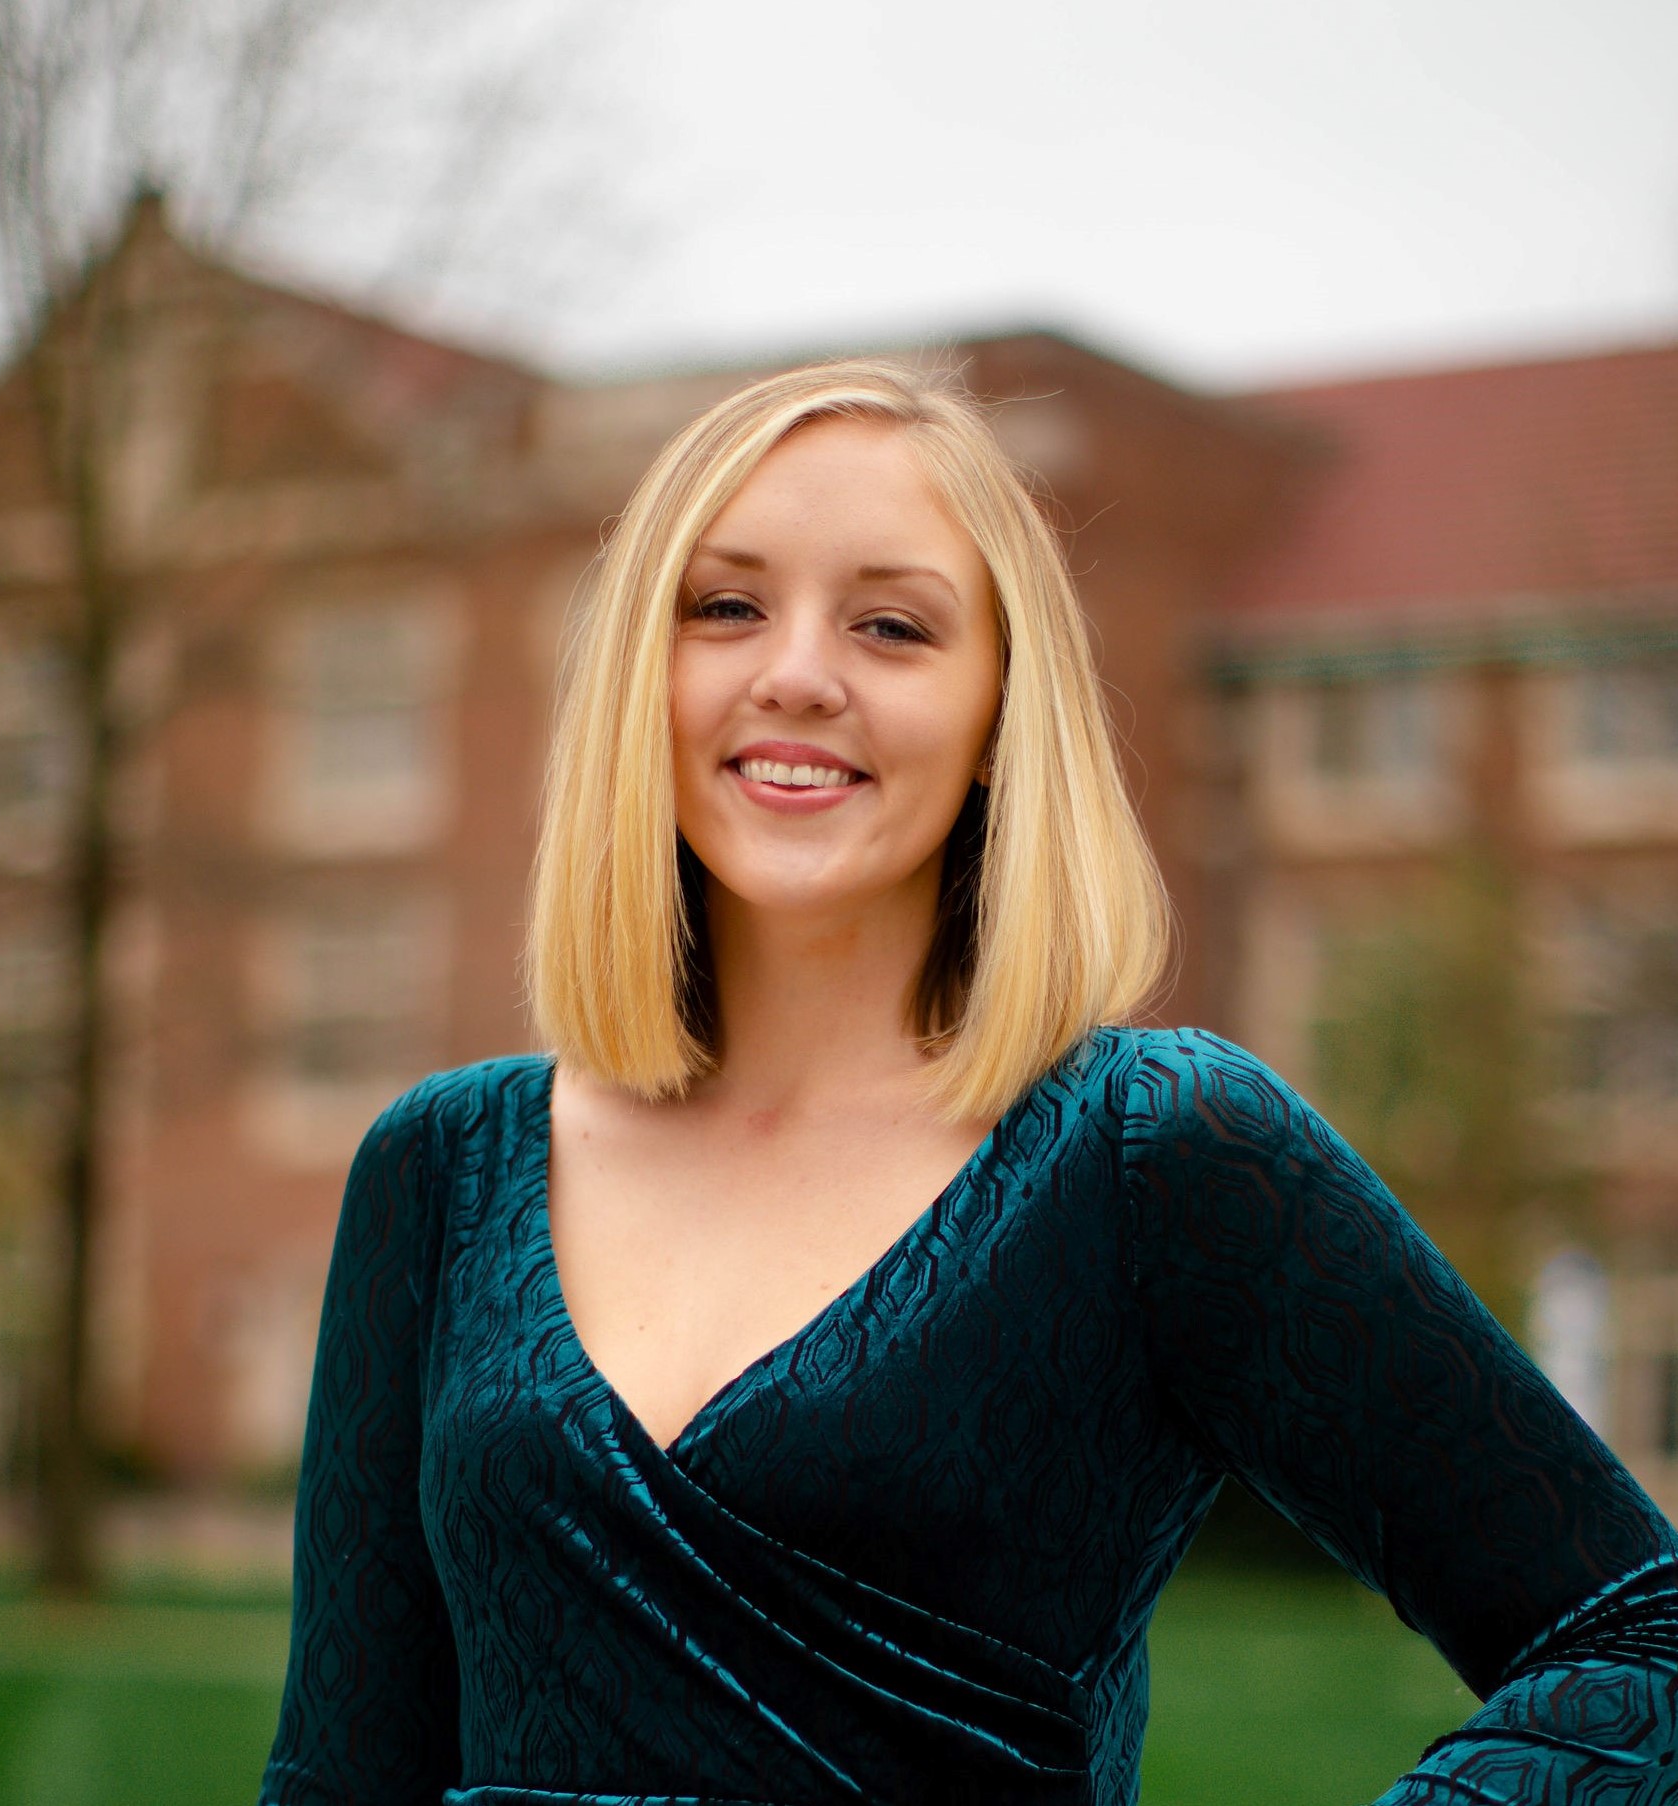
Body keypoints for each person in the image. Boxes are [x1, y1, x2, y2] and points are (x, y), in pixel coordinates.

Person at [258, 360, 1678, 1806]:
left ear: (1002, 711)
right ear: (642, 674)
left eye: (891, 624)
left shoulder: (1151, 1147)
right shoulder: (445, 1165)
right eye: (725, 604)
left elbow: (1645, 1639)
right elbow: (336, 1772)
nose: (798, 670)